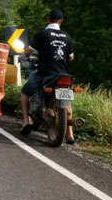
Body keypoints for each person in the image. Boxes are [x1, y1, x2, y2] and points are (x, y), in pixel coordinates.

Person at [20, 9, 75, 142]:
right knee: (67, 100)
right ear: (61, 21)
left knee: (25, 91)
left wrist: (22, 58)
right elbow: (71, 57)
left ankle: (26, 121)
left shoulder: (42, 34)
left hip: (44, 73)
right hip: (63, 74)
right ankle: (70, 134)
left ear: (48, 19)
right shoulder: (66, 36)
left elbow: (28, 52)